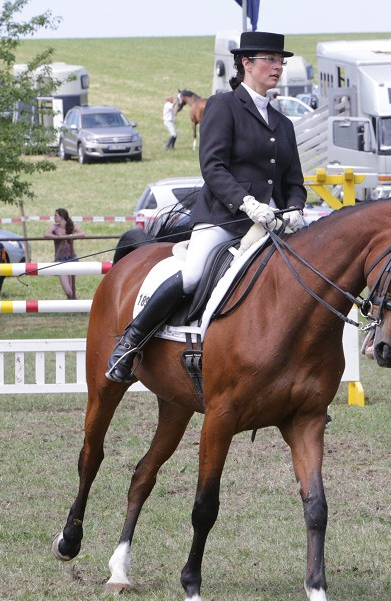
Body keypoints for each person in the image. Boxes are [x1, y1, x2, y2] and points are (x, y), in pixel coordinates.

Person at [106, 31, 308, 383]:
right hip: (225, 218)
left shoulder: (284, 123)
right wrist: (246, 202)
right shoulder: (223, 106)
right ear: (246, 63)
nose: (277, 67)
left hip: (271, 227)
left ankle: (297, 377)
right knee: (194, 275)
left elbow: (294, 182)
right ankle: (130, 342)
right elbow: (213, 166)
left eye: (281, 62)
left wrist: (294, 208)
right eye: (270, 60)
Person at [45, 208, 85, 300]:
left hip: (72, 258)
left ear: (62, 216)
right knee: (68, 290)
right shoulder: (54, 227)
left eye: (56, 215)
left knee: (71, 289)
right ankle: (79, 306)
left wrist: (69, 236)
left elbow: (83, 234)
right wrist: (58, 237)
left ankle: (73, 308)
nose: (54, 217)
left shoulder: (71, 226)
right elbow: (46, 234)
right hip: (60, 260)